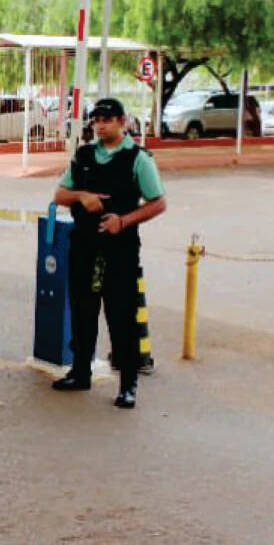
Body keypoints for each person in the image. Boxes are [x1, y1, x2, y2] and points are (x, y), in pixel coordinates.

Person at [51, 97, 167, 409]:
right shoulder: (85, 155)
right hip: (85, 245)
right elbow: (60, 194)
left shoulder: (138, 158)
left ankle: (127, 384)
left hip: (120, 248)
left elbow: (158, 202)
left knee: (121, 315)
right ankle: (80, 371)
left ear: (122, 122)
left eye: (108, 119)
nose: (101, 125)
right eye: (96, 120)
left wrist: (124, 221)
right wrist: (82, 196)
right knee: (82, 309)